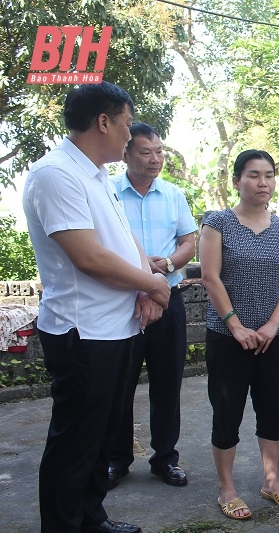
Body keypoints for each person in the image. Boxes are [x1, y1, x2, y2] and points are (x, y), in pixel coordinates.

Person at [23, 81, 170, 533]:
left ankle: (91, 517)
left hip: (117, 326)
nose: (130, 134)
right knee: (75, 442)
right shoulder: (56, 174)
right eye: (127, 124)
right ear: (103, 122)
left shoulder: (96, 175)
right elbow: (87, 257)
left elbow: (122, 242)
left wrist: (144, 287)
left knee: (102, 437)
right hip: (83, 331)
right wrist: (154, 284)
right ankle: (64, 526)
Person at [199, 149, 279, 520]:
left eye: (269, 175)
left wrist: (273, 324)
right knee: (227, 412)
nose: (263, 183)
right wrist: (235, 325)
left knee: (272, 409)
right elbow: (210, 277)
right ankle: (226, 488)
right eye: (254, 175)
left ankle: (271, 481)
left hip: (272, 338)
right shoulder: (217, 223)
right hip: (227, 338)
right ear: (237, 180)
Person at [109, 122, 197, 489]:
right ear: (126, 154)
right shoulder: (108, 192)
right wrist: (141, 274)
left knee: (167, 382)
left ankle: (165, 458)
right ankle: (117, 459)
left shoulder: (173, 194)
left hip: (168, 301)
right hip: (124, 302)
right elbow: (102, 245)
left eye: (159, 151)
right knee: (120, 384)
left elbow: (189, 243)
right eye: (145, 152)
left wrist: (168, 265)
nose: (155, 159)